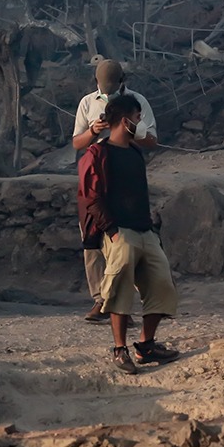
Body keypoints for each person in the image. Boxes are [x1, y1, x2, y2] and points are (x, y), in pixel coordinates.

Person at [77, 93, 180, 374]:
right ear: (125, 120)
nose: (140, 122)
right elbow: (91, 197)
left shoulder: (134, 151)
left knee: (162, 285)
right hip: (119, 231)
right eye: (137, 118)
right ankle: (120, 348)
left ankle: (146, 344)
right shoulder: (98, 154)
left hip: (143, 229)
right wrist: (111, 231)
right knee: (120, 287)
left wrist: (150, 228)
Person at [72, 59, 158, 322]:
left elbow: (152, 140)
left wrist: (127, 130)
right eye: (102, 86)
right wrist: (94, 131)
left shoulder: (136, 102)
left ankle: (121, 304)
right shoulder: (88, 102)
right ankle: (100, 299)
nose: (107, 91)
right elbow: (77, 142)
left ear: (123, 81)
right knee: (93, 239)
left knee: (123, 241)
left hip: (124, 174)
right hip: (97, 171)